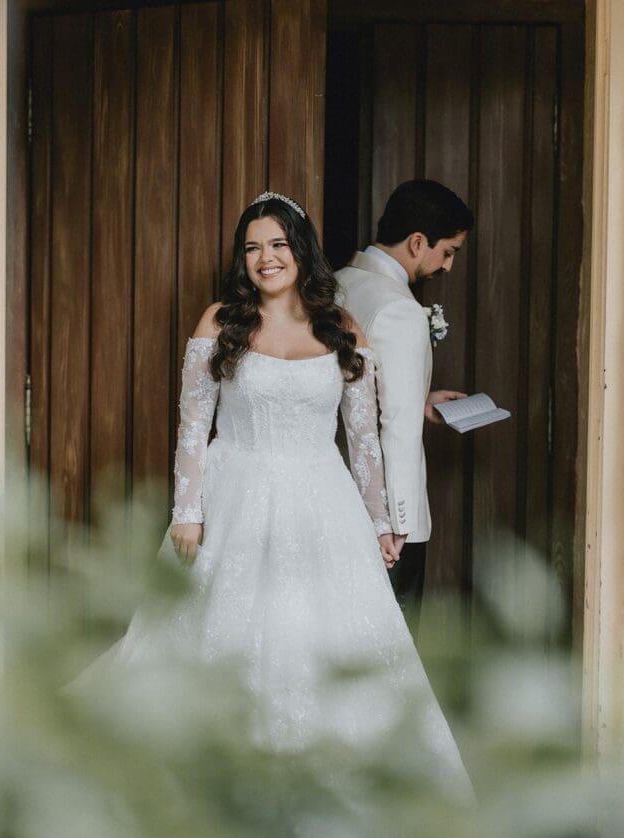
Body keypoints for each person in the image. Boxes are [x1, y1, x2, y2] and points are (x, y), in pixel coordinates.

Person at [68, 192, 472, 806]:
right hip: (236, 495)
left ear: (301, 251)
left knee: (316, 640)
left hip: (321, 501)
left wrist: (382, 521)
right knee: (213, 636)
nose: (266, 258)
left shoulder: (341, 329)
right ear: (243, 259)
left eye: (278, 244)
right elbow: (192, 430)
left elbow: (364, 439)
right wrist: (186, 512)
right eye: (253, 247)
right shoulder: (220, 322)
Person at [335, 180, 474, 640]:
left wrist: (422, 400)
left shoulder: (335, 285)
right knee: (390, 647)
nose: (448, 266)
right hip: (386, 519)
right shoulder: (398, 308)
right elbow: (395, 427)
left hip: (331, 491)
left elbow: (351, 391)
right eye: (448, 251)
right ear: (418, 242)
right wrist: (397, 524)